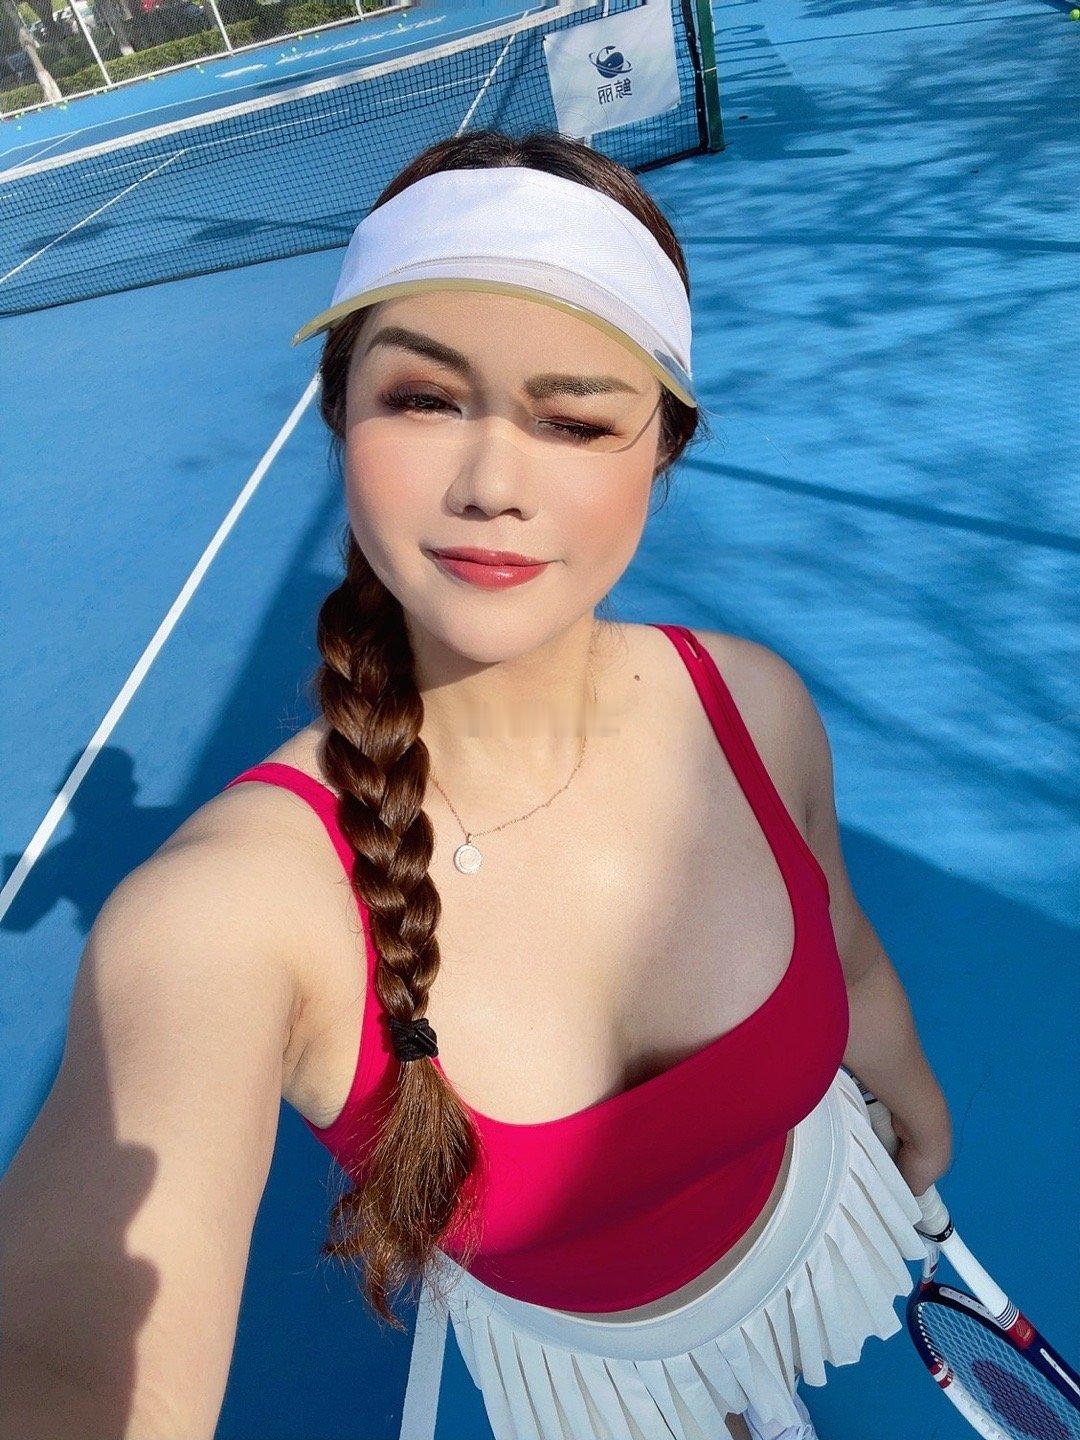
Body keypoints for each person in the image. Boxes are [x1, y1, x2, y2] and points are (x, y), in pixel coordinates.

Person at [0, 129, 954, 1440]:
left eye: (576, 419)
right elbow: (60, 1355)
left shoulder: (757, 706)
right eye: (422, 398)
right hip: (591, 1369)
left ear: (661, 450)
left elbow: (840, 947)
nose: (494, 484)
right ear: (338, 414)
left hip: (813, 1221)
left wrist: (915, 1093)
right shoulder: (213, 918)